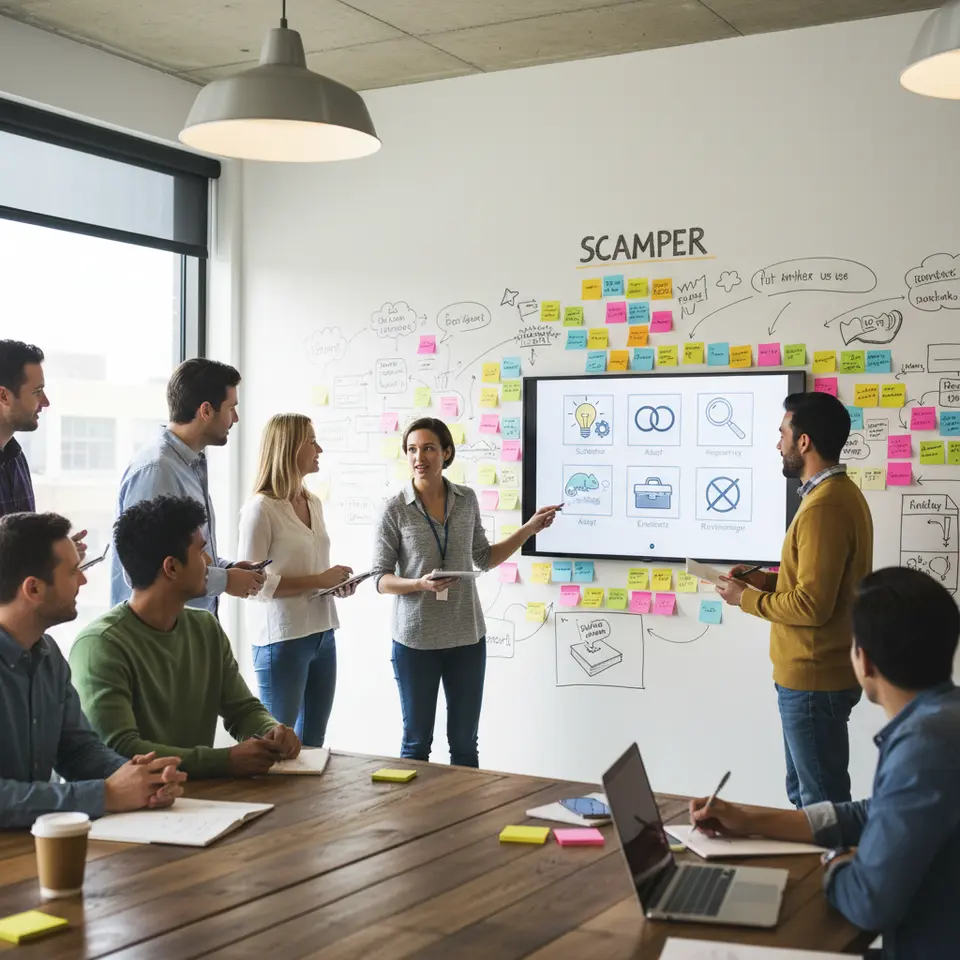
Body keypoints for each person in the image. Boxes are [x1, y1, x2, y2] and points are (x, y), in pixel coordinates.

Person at [691, 567, 960, 959]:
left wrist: (835, 860)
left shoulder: (925, 746)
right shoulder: (943, 720)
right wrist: (752, 820)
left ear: (862, 660)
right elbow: (877, 814)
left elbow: (869, 902)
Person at [371, 417, 560, 767]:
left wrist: (530, 528)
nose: (419, 457)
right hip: (416, 641)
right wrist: (418, 585)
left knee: (464, 745)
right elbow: (380, 579)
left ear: (446, 453)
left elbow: (485, 558)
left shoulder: (466, 499)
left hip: (467, 637)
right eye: (412, 449)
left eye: (428, 448)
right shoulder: (394, 508)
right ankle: (416, 820)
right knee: (416, 744)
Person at [716, 392, 873, 808]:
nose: (778, 443)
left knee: (820, 803)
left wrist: (745, 598)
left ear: (803, 442)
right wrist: (763, 580)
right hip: (811, 674)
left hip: (813, 675)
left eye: (782, 433)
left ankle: (834, 874)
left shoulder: (825, 506)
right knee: (807, 797)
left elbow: (811, 606)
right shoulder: (832, 496)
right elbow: (815, 584)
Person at [71, 496, 301, 778]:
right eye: (200, 552)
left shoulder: (206, 627)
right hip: (125, 813)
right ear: (171, 567)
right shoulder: (100, 645)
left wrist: (271, 731)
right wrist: (224, 761)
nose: (208, 562)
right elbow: (120, 748)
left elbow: (242, 710)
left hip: (193, 802)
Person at [0, 512, 185, 829]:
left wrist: (138, 777)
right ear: (33, 589)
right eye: (74, 571)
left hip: (39, 847)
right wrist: (105, 794)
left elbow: (77, 750)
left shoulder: (49, 655)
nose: (83, 580)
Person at [109, 358, 265, 614]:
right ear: (206, 411)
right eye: (231, 408)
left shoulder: (188, 464)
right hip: (157, 635)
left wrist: (227, 569)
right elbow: (147, 569)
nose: (235, 419)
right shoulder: (158, 470)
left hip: (183, 630)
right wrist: (225, 581)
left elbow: (181, 553)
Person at [238, 414, 357, 747]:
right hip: (283, 640)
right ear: (289, 448)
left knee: (313, 744)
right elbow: (252, 584)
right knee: (276, 746)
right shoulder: (260, 509)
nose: (319, 448)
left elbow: (312, 568)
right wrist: (319, 578)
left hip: (322, 634)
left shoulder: (314, 502)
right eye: (311, 441)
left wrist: (333, 583)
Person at [0, 340, 86, 557]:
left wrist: (53, 556)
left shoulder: (16, 458)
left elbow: (15, 552)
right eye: (37, 391)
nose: (45, 402)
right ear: (3, 396)